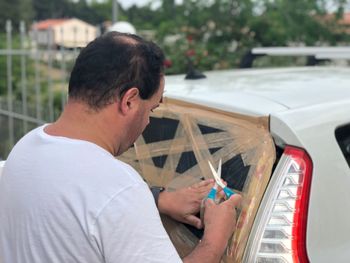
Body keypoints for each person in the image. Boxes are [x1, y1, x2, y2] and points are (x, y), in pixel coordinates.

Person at [0, 32, 241, 263]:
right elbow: (103, 197)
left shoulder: (25, 148)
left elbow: (73, 200)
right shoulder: (119, 187)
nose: (148, 121)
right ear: (129, 101)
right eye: (152, 109)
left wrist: (158, 199)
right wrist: (215, 239)